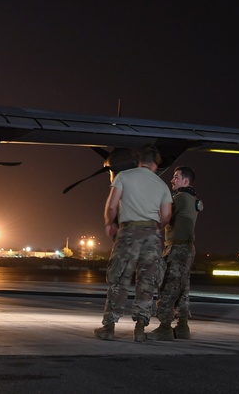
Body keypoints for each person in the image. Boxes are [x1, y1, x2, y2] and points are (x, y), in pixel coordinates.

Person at [94, 144, 172, 342]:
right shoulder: (162, 185)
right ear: (154, 164)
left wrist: (110, 223)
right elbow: (166, 216)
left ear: (139, 161)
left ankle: (110, 327)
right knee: (147, 282)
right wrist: (154, 228)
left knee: (119, 278)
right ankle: (139, 329)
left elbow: (111, 206)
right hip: (153, 235)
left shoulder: (124, 177)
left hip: (128, 231)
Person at [147, 166, 201, 341]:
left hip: (176, 249)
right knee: (182, 289)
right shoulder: (192, 198)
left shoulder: (181, 198)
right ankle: (183, 326)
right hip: (186, 248)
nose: (172, 180)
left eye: (176, 177)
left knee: (168, 287)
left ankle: (164, 327)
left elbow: (163, 215)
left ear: (186, 181)